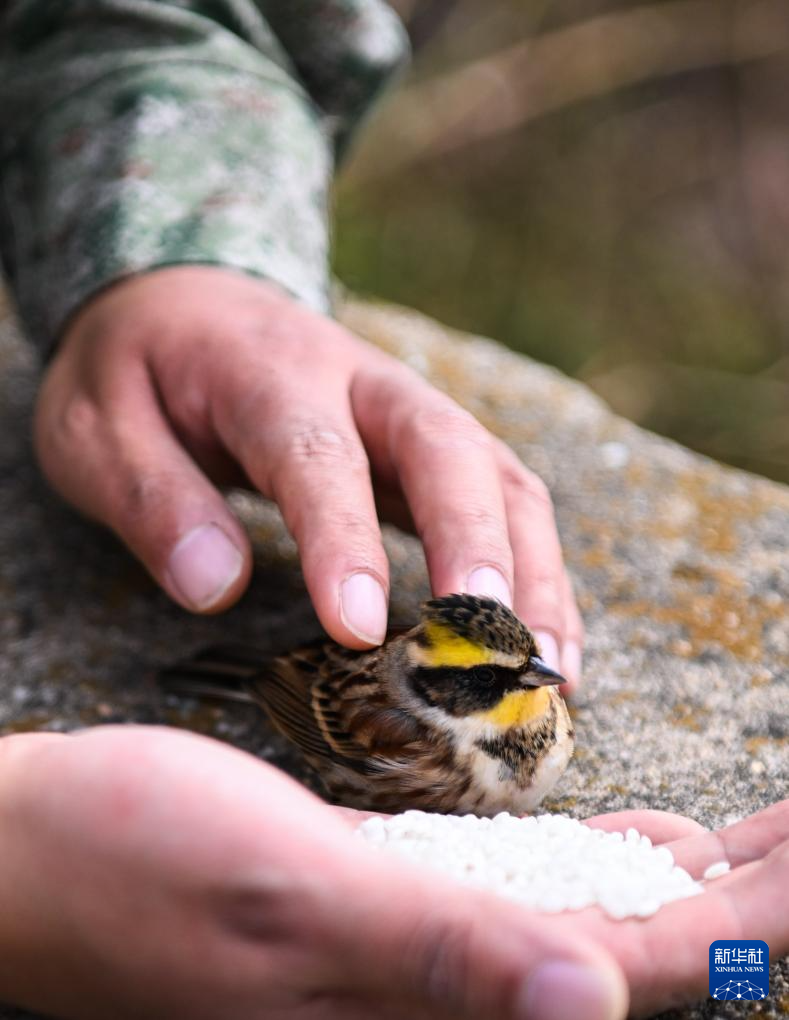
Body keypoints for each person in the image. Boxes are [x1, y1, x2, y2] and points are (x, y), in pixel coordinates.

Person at [0, 3, 786, 1019]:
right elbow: (314, 709)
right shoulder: (399, 732)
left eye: (522, 666)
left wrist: (182, 247)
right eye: (503, 677)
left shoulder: (527, 707)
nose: (539, 681)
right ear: (444, 696)